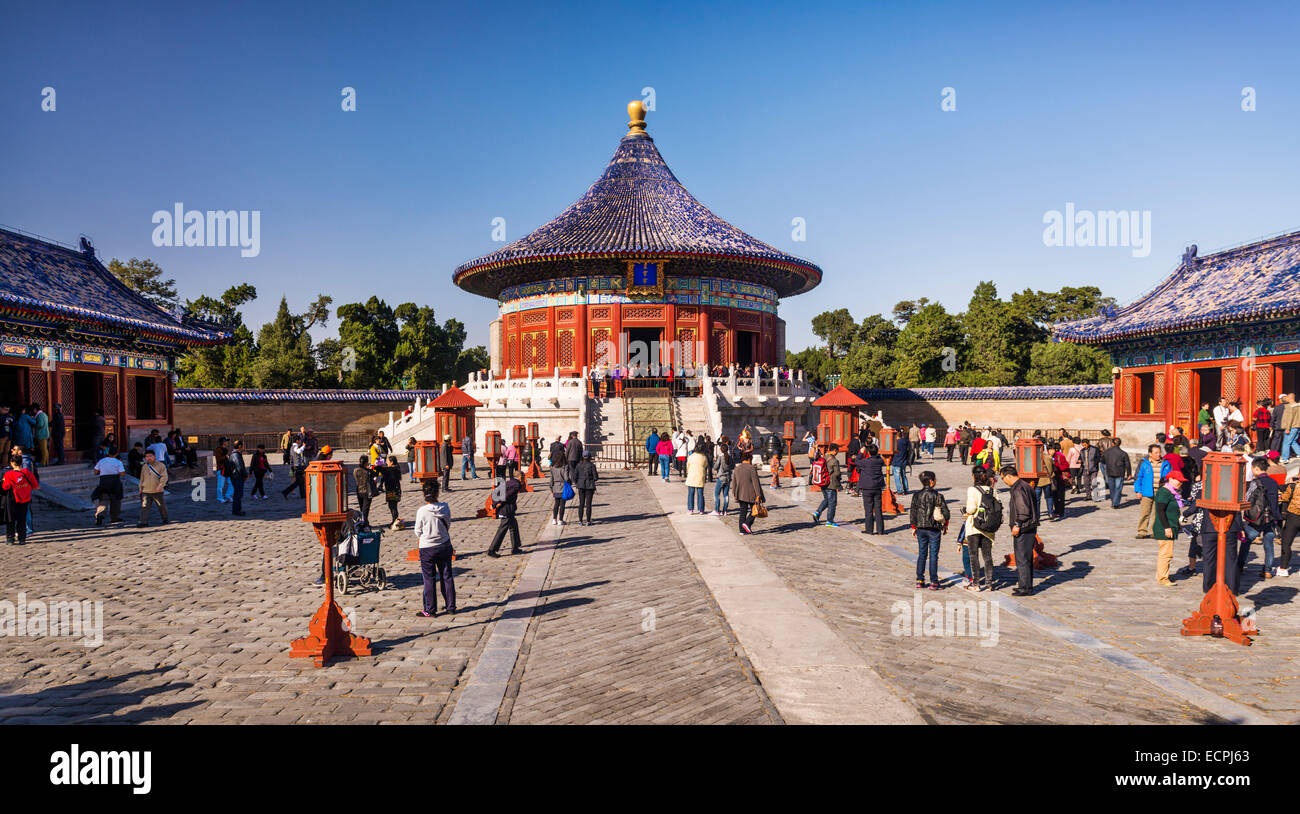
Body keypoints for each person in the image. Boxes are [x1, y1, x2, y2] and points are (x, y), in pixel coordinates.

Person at [414, 481, 456, 617]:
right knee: (447, 576)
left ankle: (430, 609)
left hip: (427, 548)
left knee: (429, 578)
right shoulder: (445, 507)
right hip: (444, 544)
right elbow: (448, 523)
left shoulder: (422, 511)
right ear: (437, 493)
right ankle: (451, 606)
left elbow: (417, 531)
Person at [1000, 464, 1037, 596]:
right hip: (1029, 527)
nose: (1004, 481)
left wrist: (1017, 524)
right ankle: (1025, 584)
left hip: (1024, 527)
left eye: (1003, 478)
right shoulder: (1024, 485)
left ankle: (1025, 588)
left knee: (1022, 558)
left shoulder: (1018, 489)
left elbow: (1023, 510)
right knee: (1025, 558)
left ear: (1009, 476)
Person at [909, 470, 950, 589]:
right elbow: (946, 513)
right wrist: (945, 524)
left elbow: (913, 512)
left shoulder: (916, 495)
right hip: (934, 529)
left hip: (920, 528)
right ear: (931, 481)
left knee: (922, 553)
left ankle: (920, 580)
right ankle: (934, 581)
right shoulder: (938, 495)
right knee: (933, 555)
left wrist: (913, 527)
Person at [1243, 458, 1280, 581]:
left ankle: (1239, 565)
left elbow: (1247, 498)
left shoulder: (1255, 482)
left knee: (1246, 541)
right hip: (1270, 517)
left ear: (1256, 468)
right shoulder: (1273, 482)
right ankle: (1268, 570)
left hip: (1257, 518)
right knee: (1269, 545)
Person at [964, 466, 998, 591]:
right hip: (988, 527)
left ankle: (976, 584)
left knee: (973, 555)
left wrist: (966, 513)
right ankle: (989, 583)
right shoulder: (992, 490)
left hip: (974, 526)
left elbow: (971, 509)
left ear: (974, 476)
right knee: (987, 556)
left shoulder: (972, 490)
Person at [1152, 469, 1186, 585]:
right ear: (1171, 479)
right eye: (1179, 481)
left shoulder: (1170, 492)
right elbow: (1160, 511)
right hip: (1164, 528)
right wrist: (1167, 527)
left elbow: (1171, 511)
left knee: (1165, 553)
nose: (1180, 483)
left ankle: (1161, 575)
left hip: (1170, 526)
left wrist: (1178, 524)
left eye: (1181, 481)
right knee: (1166, 554)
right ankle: (1163, 578)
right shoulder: (1165, 492)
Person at [486, 473, 524, 557]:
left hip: (508, 509)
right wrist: (496, 504)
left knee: (514, 527)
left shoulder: (510, 482)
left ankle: (515, 547)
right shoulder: (516, 485)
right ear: (520, 477)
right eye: (523, 478)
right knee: (502, 530)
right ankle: (492, 550)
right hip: (506, 509)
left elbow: (497, 491)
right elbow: (507, 495)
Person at [1134, 444, 1168, 538]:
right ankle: (1142, 531)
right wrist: (1138, 490)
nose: (1158, 454)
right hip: (1146, 491)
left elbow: (1170, 477)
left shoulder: (1165, 463)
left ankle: (1155, 531)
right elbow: (1138, 478)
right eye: (1156, 453)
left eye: (1159, 452)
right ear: (1150, 454)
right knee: (1145, 513)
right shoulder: (1144, 464)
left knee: (1157, 513)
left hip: (1160, 492)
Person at [855, 443, 886, 535]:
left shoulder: (865, 462)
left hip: (867, 487)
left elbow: (856, 461)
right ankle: (880, 530)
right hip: (877, 486)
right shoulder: (880, 461)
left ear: (868, 452)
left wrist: (861, 453)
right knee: (878, 509)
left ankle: (869, 529)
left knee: (868, 509)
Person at [731, 451, 765, 534]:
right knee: (755, 510)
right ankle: (747, 523)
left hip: (740, 493)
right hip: (751, 493)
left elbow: (734, 482)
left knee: (743, 511)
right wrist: (758, 495)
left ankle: (742, 531)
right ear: (749, 459)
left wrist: (734, 493)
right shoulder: (751, 468)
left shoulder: (736, 468)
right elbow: (756, 483)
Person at [810, 444, 842, 527]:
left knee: (827, 499)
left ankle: (817, 512)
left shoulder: (823, 458)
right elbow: (837, 473)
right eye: (837, 451)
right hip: (831, 484)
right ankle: (829, 521)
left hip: (823, 483)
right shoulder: (834, 461)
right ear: (835, 450)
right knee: (832, 503)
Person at [1275, 472, 1300, 578]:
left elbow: (1284, 498)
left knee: (1286, 542)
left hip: (1294, 516)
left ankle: (1283, 568)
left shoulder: (1294, 485)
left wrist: (1289, 484)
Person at [91, 448, 125, 526]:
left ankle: (100, 514)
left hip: (103, 481)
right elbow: (122, 473)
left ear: (108, 453)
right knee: (116, 500)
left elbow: (95, 472)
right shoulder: (118, 462)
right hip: (115, 482)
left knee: (103, 500)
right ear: (116, 454)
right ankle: (114, 517)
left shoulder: (102, 461)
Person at [136, 449, 169, 528]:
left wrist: (161, 485)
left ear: (154, 456)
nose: (148, 458)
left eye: (150, 456)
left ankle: (165, 518)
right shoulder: (144, 466)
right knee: (145, 506)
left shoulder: (161, 465)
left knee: (161, 506)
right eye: (147, 456)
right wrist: (140, 487)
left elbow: (164, 477)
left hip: (157, 490)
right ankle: (143, 521)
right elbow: (142, 478)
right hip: (146, 490)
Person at [1102, 438, 1131, 508]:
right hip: (1120, 472)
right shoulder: (1123, 453)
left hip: (1110, 472)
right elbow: (1127, 464)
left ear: (1112, 443)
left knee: (1112, 488)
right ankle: (1116, 503)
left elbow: (1103, 461)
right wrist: (1129, 474)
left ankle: (1113, 501)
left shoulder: (1106, 452)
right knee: (1118, 488)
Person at [378, 454, 403, 529]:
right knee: (393, 506)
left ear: (391, 462)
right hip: (396, 489)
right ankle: (394, 520)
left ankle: (395, 521)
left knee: (392, 506)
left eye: (388, 461)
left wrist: (374, 466)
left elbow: (379, 469)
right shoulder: (396, 468)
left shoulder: (390, 469)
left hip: (392, 490)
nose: (386, 462)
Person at [574, 450, 598, 525]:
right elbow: (596, 477)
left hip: (581, 485)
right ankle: (588, 521)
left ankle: (580, 520)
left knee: (581, 503)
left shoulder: (578, 465)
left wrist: (577, 482)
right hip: (589, 485)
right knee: (588, 504)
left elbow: (575, 476)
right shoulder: (592, 465)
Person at [686, 438, 709, 515]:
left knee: (691, 494)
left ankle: (690, 509)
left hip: (692, 476)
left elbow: (688, 466)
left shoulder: (691, 456)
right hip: (700, 476)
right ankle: (701, 509)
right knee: (700, 494)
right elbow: (705, 465)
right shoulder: (704, 457)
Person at [712, 436, 733, 516]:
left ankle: (717, 510)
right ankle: (725, 510)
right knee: (726, 495)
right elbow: (732, 466)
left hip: (721, 477)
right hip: (728, 478)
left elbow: (715, 467)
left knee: (716, 494)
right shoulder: (730, 457)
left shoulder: (720, 457)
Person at [548, 451, 570, 526]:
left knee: (556, 503)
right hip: (563, 486)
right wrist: (569, 482)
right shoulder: (565, 466)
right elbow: (566, 478)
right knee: (562, 504)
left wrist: (551, 488)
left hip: (555, 486)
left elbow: (551, 479)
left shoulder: (552, 467)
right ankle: (560, 519)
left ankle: (554, 519)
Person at [353, 455, 375, 525]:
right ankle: (364, 522)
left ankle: (364, 520)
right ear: (366, 463)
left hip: (359, 490)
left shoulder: (355, 470)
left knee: (362, 507)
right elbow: (375, 474)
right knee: (366, 508)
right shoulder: (368, 471)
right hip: (367, 491)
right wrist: (370, 468)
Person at [228, 440, 248, 516]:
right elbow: (239, 467)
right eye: (243, 445)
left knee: (238, 494)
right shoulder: (236, 455)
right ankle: (236, 511)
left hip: (236, 476)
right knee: (238, 494)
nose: (244, 446)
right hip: (237, 477)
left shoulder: (235, 454)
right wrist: (245, 475)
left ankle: (237, 510)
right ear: (239, 446)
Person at [893, 429, 911, 494]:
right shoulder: (906, 441)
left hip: (896, 461)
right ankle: (906, 489)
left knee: (897, 476)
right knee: (903, 476)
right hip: (903, 461)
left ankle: (899, 490)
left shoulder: (896, 443)